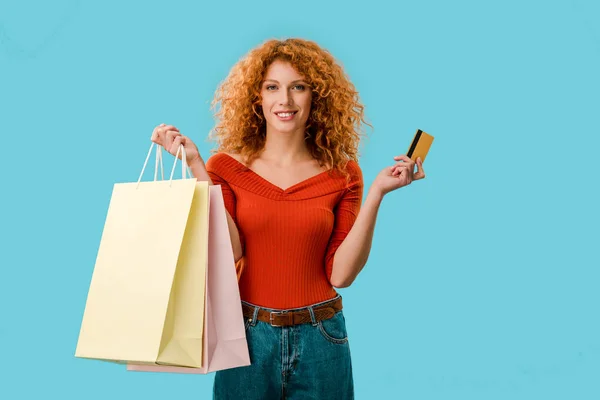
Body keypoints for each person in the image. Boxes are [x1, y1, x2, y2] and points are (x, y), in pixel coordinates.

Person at [150, 38, 425, 400]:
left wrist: (377, 192)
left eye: (299, 87)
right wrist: (196, 166)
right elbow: (231, 250)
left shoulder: (342, 174)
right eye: (272, 87)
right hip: (246, 335)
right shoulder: (226, 167)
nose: (286, 100)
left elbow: (340, 275)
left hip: (321, 337)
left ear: (316, 97)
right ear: (257, 98)